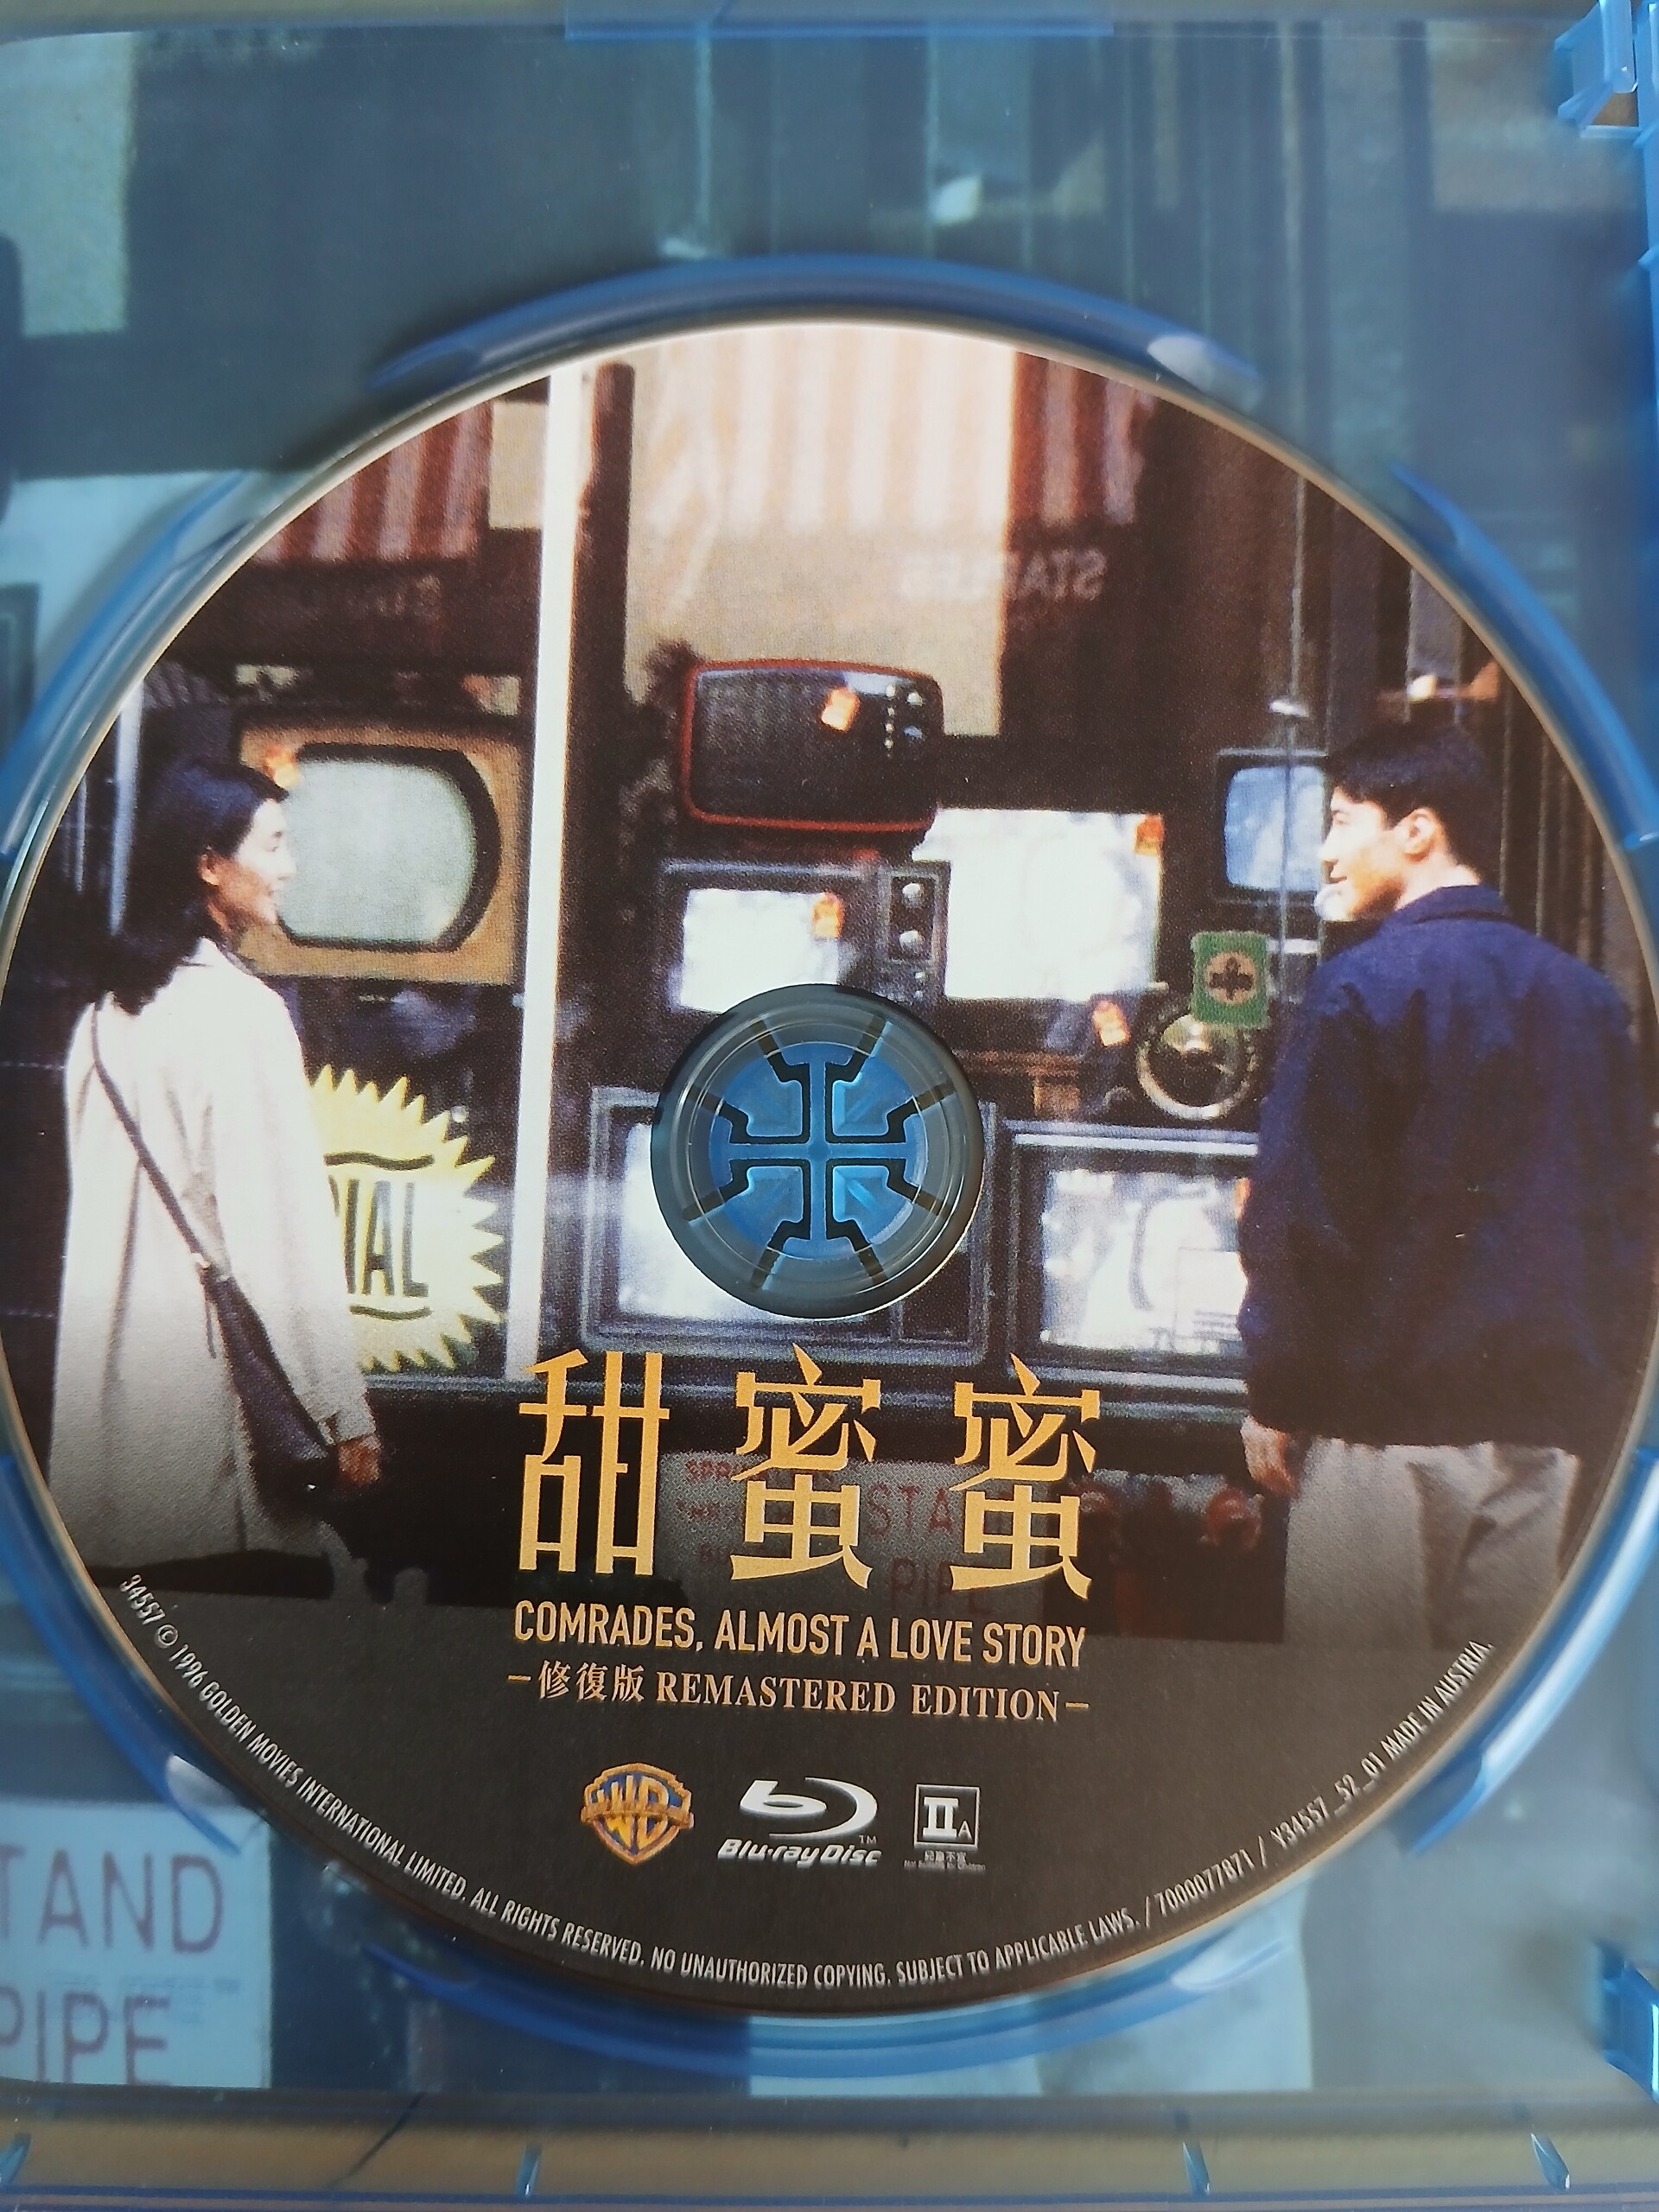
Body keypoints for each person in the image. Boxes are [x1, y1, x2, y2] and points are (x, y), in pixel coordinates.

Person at [1236, 718, 1653, 1649]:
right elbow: (1624, 1231)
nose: (1326, 852)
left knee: (1349, 1712)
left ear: (1418, 830)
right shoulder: (1590, 1003)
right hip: (1542, 1441)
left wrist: (1277, 1394)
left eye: (1343, 821)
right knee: (1479, 1711)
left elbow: (1305, 1226)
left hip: (1386, 1439)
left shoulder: (1359, 989)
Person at [49, 757, 381, 1592]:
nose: (288, 868)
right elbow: (281, 1236)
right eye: (272, 845)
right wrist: (341, 1412)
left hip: (105, 1432)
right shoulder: (243, 1017)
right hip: (206, 1430)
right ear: (208, 863)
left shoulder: (103, 1020)